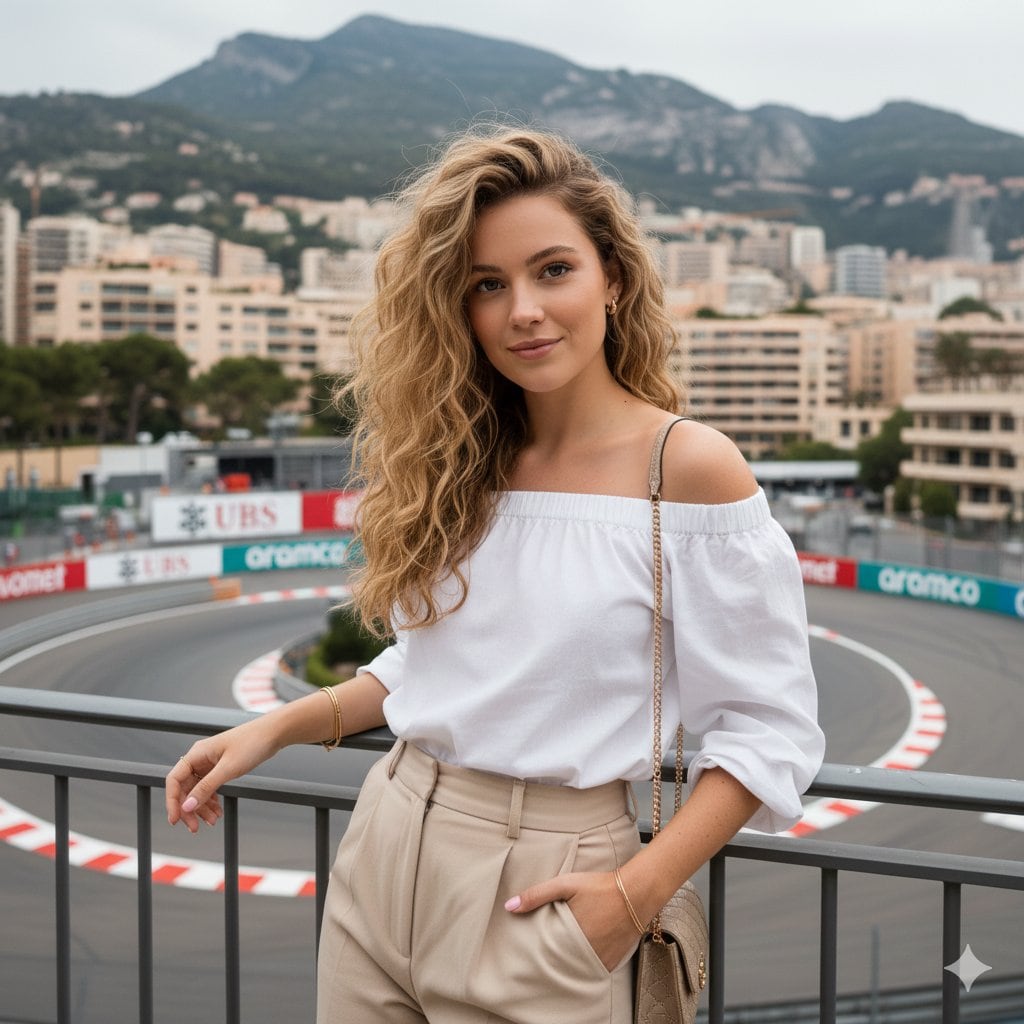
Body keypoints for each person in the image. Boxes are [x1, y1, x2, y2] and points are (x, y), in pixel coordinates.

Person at [166, 127, 825, 1023]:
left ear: (614, 279)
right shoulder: (463, 460)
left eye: (554, 270)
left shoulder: (690, 469)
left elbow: (768, 730)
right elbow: (437, 665)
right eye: (488, 284)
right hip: (385, 847)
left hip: (548, 889)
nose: (523, 309)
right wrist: (273, 730)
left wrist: (631, 900)